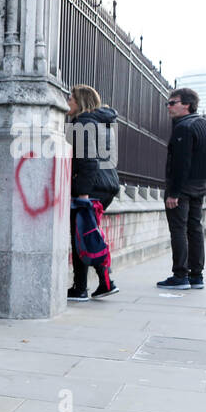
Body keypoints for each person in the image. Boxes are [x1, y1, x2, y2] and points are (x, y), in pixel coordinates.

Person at [66, 84, 121, 300]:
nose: (67, 102)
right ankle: (104, 283)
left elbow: (88, 161)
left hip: (92, 187)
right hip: (105, 185)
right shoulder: (101, 123)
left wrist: (82, 194)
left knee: (82, 236)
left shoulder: (84, 123)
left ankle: (81, 288)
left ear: (80, 102)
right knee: (89, 234)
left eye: (70, 98)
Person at [156, 88, 206, 290]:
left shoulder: (183, 127)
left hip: (183, 188)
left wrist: (174, 193)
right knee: (195, 230)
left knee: (179, 230)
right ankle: (196, 275)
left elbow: (181, 163)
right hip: (200, 185)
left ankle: (180, 275)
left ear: (186, 104)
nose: (169, 107)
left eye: (173, 103)